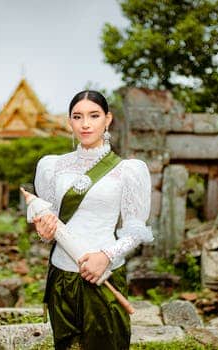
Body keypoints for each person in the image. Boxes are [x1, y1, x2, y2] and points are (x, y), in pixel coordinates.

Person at [32, 90, 153, 349]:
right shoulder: (52, 167)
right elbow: (50, 226)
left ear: (107, 119)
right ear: (69, 122)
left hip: (103, 276)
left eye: (94, 116)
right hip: (61, 276)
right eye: (78, 117)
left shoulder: (128, 170)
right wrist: (43, 232)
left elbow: (136, 229)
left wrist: (106, 256)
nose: (85, 124)